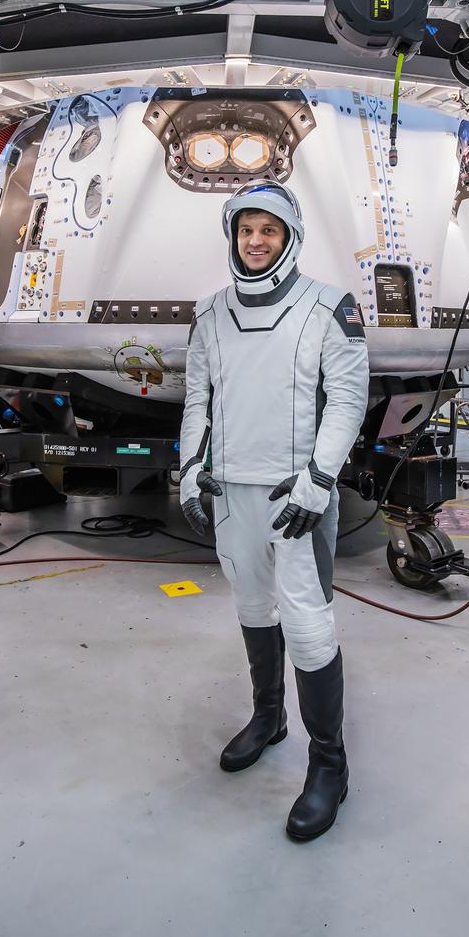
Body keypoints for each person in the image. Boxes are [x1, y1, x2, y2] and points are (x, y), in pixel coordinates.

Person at [178, 182, 369, 840]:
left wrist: (318, 481)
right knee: (252, 611)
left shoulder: (329, 307)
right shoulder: (208, 313)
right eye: (245, 229)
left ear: (290, 236)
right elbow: (197, 400)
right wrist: (187, 474)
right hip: (231, 493)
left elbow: (346, 401)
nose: (255, 241)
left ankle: (329, 766)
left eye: (269, 230)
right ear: (231, 235)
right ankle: (268, 717)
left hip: (296, 500)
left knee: (310, 629)